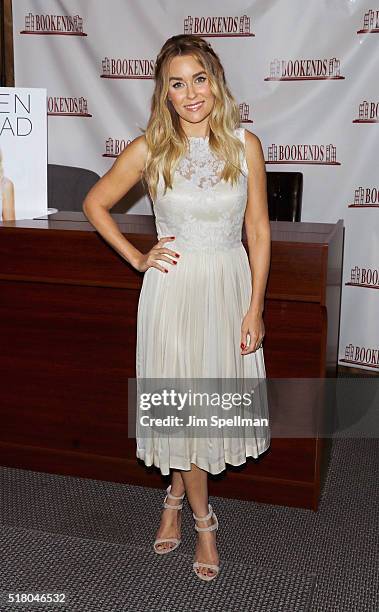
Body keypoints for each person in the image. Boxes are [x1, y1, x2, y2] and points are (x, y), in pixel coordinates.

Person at [83, 34, 271, 582]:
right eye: (176, 83)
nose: (190, 93)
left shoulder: (244, 144)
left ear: (215, 80)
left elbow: (258, 231)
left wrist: (255, 306)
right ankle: (203, 521)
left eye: (199, 78)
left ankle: (172, 495)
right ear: (163, 93)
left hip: (229, 287)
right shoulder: (150, 148)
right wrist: (138, 258)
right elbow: (95, 203)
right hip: (174, 290)